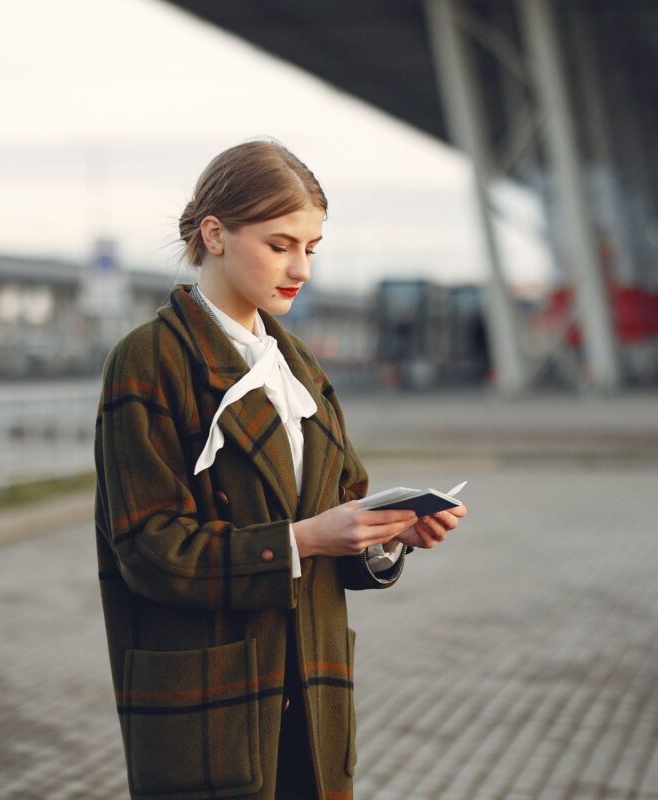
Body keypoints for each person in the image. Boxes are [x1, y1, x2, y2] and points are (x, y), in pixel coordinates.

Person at [94, 139, 467, 800]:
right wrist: (307, 539)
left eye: (312, 248)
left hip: (311, 691)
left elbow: (342, 509)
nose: (302, 268)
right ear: (214, 234)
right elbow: (149, 552)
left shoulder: (299, 366)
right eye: (280, 244)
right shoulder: (151, 360)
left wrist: (388, 535)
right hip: (211, 703)